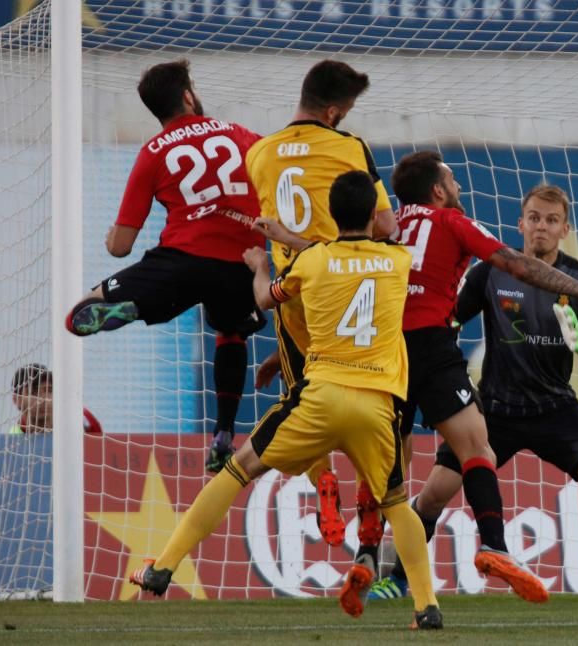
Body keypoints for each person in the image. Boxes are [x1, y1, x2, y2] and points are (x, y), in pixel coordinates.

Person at [313, 151, 578, 603]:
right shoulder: (488, 269)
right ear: (521, 224)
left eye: (552, 220)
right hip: (497, 408)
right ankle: (398, 576)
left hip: (554, 406)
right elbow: (451, 319)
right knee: (431, 496)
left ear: (565, 229)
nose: (542, 226)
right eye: (534, 218)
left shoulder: (577, 276)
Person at [130, 171, 443, 630]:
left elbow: (265, 299)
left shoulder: (312, 260)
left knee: (238, 469)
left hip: (321, 395)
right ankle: (427, 608)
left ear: (332, 214)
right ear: (372, 216)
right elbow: (384, 234)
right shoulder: (397, 259)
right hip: (377, 403)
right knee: (396, 502)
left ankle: (162, 569)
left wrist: (261, 264)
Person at [64, 60, 265, 471]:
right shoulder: (241, 135)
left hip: (181, 260)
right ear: (188, 96)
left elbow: (120, 246)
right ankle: (224, 431)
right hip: (240, 263)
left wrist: (109, 236)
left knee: (78, 313)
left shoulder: (153, 152)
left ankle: (131, 306)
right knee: (231, 331)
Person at [244, 59, 396, 548]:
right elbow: (386, 226)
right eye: (347, 110)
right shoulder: (350, 147)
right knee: (369, 400)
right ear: (333, 111)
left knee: (303, 400)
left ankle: (322, 481)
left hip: (293, 299)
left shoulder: (260, 154)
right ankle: (373, 501)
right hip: (347, 293)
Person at [9, 363, 102, 435]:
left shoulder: (82, 419)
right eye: (33, 392)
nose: (43, 399)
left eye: (49, 390)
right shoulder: (14, 438)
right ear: (16, 399)